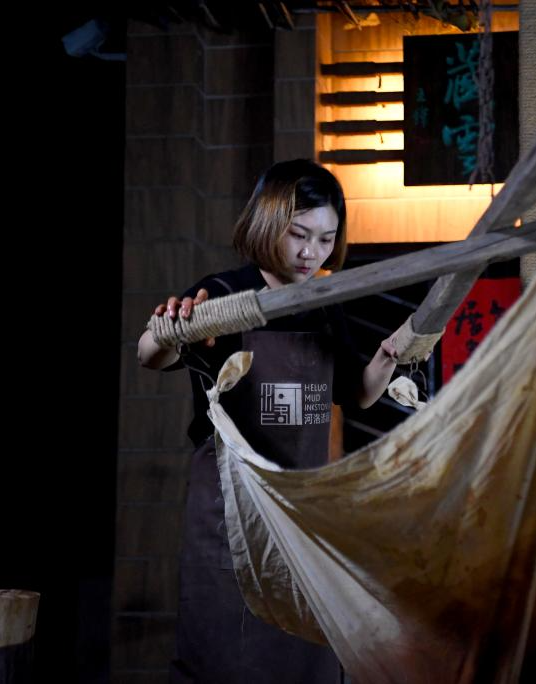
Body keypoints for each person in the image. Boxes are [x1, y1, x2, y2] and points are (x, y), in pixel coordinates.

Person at [137, 159, 397, 683]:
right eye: (298, 234)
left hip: (300, 510)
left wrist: (393, 353)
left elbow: (359, 395)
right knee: (225, 651)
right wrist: (169, 331)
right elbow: (150, 354)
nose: (311, 253)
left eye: (325, 239)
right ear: (266, 222)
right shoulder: (223, 292)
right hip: (231, 514)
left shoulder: (325, 303)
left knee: (306, 651)